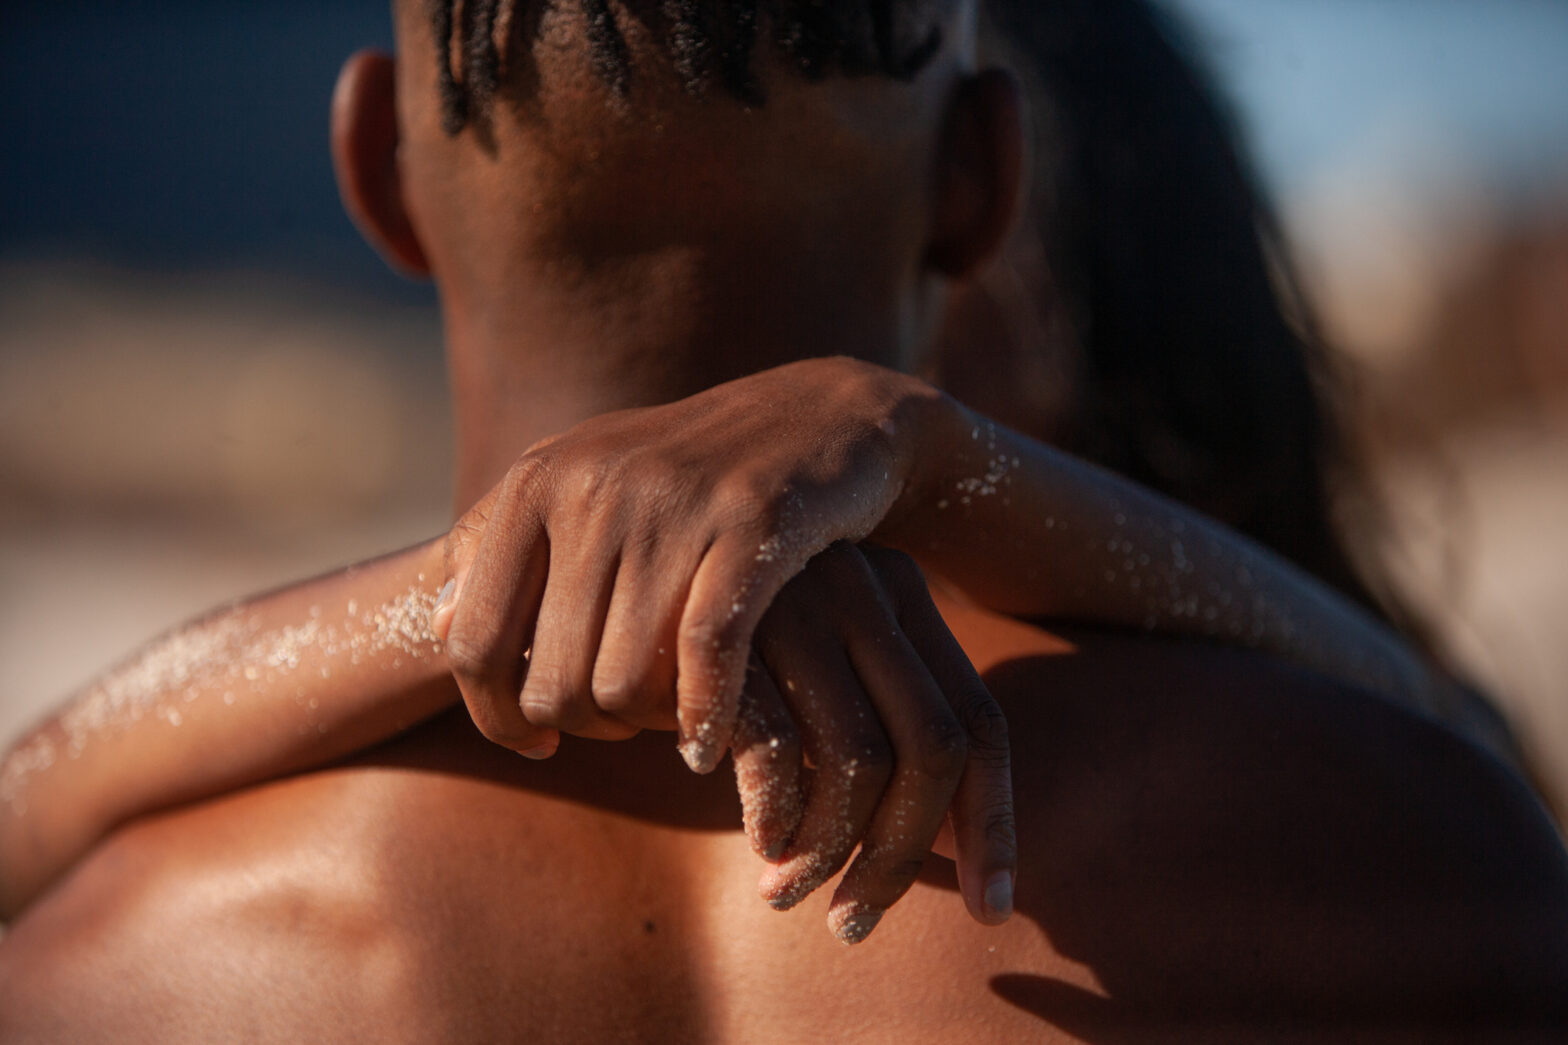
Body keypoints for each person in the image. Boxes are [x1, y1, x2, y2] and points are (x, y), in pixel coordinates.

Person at [1, 0, 1564, 1037]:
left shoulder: (98, 968)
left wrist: (449, 599)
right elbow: (1467, 761)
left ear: (373, 169)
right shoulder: (1414, 869)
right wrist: (947, 464)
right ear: (983, 176)